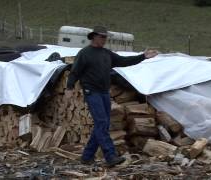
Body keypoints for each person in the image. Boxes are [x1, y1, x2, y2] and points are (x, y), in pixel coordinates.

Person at [66, 26, 158, 167]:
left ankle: (86, 157)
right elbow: (75, 71)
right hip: (92, 92)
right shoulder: (84, 53)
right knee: (102, 123)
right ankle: (110, 156)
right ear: (94, 37)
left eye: (105, 37)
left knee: (102, 125)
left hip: (104, 92)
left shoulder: (106, 54)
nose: (104, 39)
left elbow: (124, 61)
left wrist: (143, 56)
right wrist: (70, 87)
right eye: (102, 37)